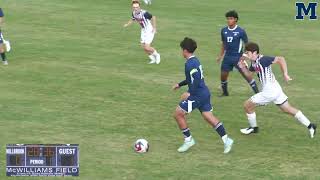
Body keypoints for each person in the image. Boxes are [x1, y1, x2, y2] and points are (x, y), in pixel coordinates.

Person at [238, 42, 316, 138]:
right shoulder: (254, 63)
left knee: (247, 105)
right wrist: (243, 67)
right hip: (276, 89)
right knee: (287, 109)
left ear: (255, 52)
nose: (246, 55)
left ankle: (253, 128)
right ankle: (311, 126)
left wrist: (285, 74)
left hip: (269, 92)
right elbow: (249, 75)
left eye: (248, 53)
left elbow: (281, 59)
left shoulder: (263, 60)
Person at [172, 37, 234, 153]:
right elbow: (191, 78)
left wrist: (190, 93)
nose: (181, 52)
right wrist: (180, 84)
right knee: (208, 117)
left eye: (182, 49)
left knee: (178, 114)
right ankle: (227, 140)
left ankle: (188, 140)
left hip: (197, 95)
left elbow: (195, 79)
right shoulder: (195, 60)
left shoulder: (190, 64)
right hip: (204, 92)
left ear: (185, 50)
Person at [217, 10, 258, 96]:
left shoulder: (241, 31)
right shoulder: (223, 30)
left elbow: (247, 45)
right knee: (223, 75)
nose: (229, 20)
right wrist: (221, 56)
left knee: (247, 75)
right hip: (227, 57)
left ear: (235, 19)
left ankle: (257, 93)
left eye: (231, 19)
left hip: (238, 57)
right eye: (228, 19)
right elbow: (224, 44)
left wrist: (244, 56)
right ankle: (225, 93)